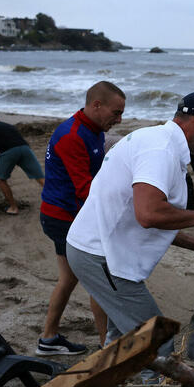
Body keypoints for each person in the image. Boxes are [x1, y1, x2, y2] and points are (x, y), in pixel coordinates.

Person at [65, 91, 194, 356]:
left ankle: (108, 383)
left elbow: (141, 214)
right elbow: (149, 214)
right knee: (157, 341)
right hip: (100, 255)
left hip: (99, 249)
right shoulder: (160, 150)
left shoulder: (157, 141)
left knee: (120, 336)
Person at [36, 81, 126, 356]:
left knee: (69, 278)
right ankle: (106, 347)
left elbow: (97, 176)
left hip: (64, 213)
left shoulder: (94, 129)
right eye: (116, 112)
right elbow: (86, 190)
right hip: (64, 217)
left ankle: (48, 339)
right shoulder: (73, 135)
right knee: (100, 279)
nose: (119, 119)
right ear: (96, 105)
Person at [0, 114, 45, 215]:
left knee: (1, 179)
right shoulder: (9, 126)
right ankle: (59, 202)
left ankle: (13, 208)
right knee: (39, 177)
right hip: (25, 149)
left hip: (9, 152)